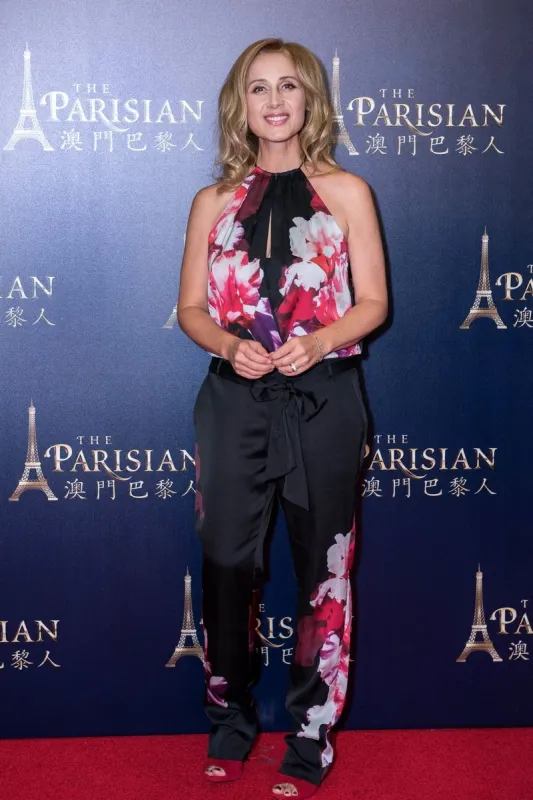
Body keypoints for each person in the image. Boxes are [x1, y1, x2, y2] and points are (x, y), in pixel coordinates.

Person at [177, 37, 387, 799]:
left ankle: (310, 737)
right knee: (228, 568)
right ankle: (229, 723)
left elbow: (373, 302)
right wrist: (231, 346)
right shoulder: (211, 202)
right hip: (233, 404)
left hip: (325, 398)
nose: (273, 100)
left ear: (309, 101)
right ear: (242, 103)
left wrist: (322, 339)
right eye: (258, 87)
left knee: (321, 572)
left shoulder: (347, 191)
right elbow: (190, 310)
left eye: (288, 86)